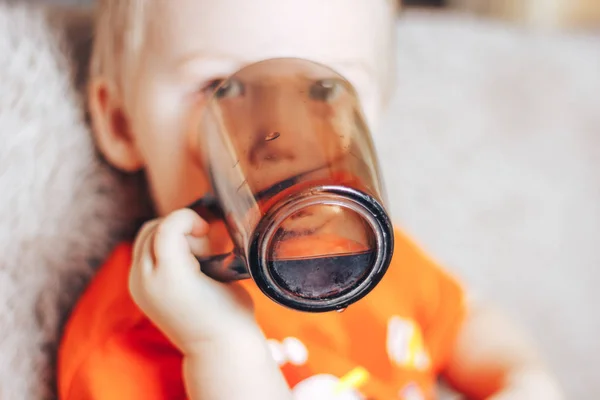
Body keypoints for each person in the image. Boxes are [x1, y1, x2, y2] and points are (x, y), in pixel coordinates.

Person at [57, 0, 562, 399]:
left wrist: (522, 378)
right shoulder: (126, 338)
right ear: (122, 123)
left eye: (323, 91)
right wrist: (221, 349)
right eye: (221, 88)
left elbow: (466, 318)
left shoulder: (371, 254)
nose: (286, 138)